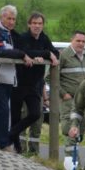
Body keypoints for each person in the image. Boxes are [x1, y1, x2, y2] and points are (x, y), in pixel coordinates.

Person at [0, 5, 33, 151]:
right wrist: (22, 55)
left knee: (0, 111)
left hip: (7, 77)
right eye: (8, 18)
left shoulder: (9, 33)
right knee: (3, 110)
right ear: (1, 17)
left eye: (14, 19)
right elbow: (0, 51)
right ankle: (3, 143)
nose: (11, 22)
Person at [9, 12, 59, 153]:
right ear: (29, 24)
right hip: (19, 82)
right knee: (15, 116)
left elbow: (56, 53)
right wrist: (46, 54)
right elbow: (24, 51)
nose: (37, 26)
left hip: (35, 84)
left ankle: (11, 133)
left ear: (43, 25)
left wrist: (46, 55)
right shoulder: (23, 37)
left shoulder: (44, 38)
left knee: (35, 114)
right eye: (34, 23)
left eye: (40, 23)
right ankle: (17, 147)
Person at [59, 31, 85, 157]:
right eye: (78, 41)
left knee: (81, 132)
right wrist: (63, 94)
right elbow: (50, 77)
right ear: (71, 40)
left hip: (84, 102)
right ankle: (72, 165)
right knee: (71, 131)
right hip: (70, 101)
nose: (81, 44)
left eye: (83, 41)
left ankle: (73, 160)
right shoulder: (63, 55)